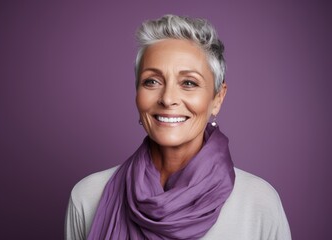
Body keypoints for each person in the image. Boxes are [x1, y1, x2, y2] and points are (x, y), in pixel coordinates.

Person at [65, 15, 291, 240]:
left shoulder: (259, 204)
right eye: (152, 81)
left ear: (218, 98)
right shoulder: (88, 197)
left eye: (189, 83)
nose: (168, 98)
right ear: (137, 93)